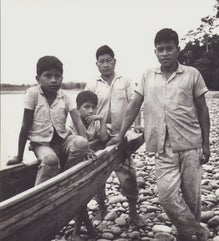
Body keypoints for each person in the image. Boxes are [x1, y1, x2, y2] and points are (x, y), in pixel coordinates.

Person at [108, 29, 210, 241]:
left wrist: (206, 144)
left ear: (177, 49)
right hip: (162, 145)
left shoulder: (192, 74)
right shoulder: (147, 75)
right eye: (160, 49)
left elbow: (202, 109)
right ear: (155, 51)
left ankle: (185, 235)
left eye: (169, 48)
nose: (164, 53)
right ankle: (198, 230)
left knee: (192, 197)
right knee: (165, 196)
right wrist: (121, 134)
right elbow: (134, 105)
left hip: (190, 143)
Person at [85, 45, 145, 227]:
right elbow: (85, 111)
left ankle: (133, 211)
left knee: (127, 173)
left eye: (108, 60)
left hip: (121, 133)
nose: (105, 65)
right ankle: (101, 207)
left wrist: (137, 126)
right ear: (97, 64)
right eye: (101, 61)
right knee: (97, 175)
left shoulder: (125, 81)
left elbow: (135, 104)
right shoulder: (92, 84)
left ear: (114, 62)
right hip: (98, 135)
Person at [7, 55, 89, 186]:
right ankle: (37, 195)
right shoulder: (32, 94)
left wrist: (87, 149)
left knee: (83, 144)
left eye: (57, 76)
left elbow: (78, 122)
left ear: (62, 78)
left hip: (63, 140)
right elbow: (25, 126)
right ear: (38, 78)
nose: (53, 80)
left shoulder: (65, 96)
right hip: (41, 143)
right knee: (50, 160)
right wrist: (19, 156)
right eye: (48, 76)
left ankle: (66, 176)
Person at [69, 90, 109, 240]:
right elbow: (75, 144)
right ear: (78, 108)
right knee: (81, 196)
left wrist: (102, 120)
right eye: (86, 107)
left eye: (93, 107)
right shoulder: (72, 122)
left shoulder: (94, 122)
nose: (91, 110)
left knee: (84, 196)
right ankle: (78, 231)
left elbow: (104, 138)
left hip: (88, 161)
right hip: (73, 162)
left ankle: (82, 230)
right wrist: (88, 148)